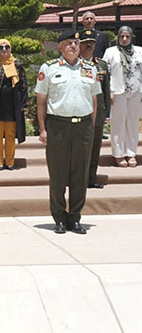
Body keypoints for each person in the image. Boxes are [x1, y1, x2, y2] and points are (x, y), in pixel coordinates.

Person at [35, 30, 101, 235]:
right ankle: (59, 218)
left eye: (76, 43)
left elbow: (94, 100)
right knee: (58, 173)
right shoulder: (49, 68)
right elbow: (41, 100)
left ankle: (75, 218)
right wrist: (43, 128)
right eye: (69, 43)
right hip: (58, 126)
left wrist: (90, 125)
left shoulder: (90, 69)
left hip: (83, 126)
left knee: (80, 174)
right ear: (61, 47)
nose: (73, 46)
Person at [0, 39, 28, 170]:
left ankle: (10, 161)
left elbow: (23, 84)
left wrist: (23, 103)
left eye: (6, 47)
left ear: (10, 49)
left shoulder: (17, 64)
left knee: (10, 135)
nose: (4, 50)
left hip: (13, 103)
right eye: (1, 48)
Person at [102, 26, 142, 168]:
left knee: (132, 123)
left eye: (127, 36)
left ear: (132, 37)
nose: (124, 39)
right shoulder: (110, 52)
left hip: (136, 92)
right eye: (121, 36)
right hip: (117, 92)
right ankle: (118, 154)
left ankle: (131, 153)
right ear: (118, 37)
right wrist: (109, 92)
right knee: (118, 123)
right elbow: (105, 73)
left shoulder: (140, 51)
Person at [78, 29, 111, 188]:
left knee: (95, 149)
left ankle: (91, 179)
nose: (89, 45)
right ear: (79, 45)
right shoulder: (73, 64)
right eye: (86, 43)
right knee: (78, 149)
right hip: (78, 114)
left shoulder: (102, 65)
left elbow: (105, 90)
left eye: (92, 42)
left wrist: (106, 113)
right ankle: (77, 181)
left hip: (97, 114)